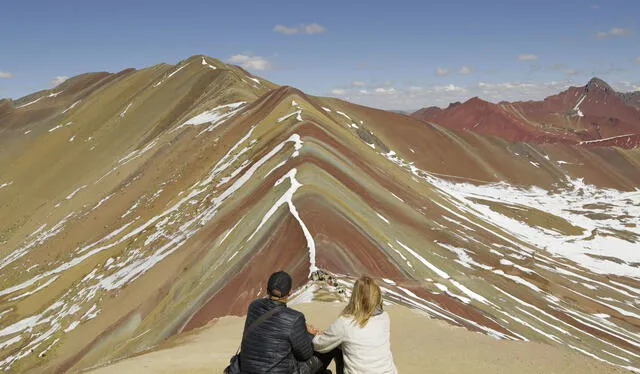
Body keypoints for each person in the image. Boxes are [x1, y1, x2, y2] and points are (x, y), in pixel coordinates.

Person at [239, 271, 325, 374]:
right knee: (331, 348)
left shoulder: (253, 306)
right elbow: (305, 355)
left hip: (247, 370)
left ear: (267, 289)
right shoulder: (295, 318)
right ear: (289, 292)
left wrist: (300, 330)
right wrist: (310, 334)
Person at [312, 276, 398, 374]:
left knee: (337, 349)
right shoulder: (384, 317)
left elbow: (319, 345)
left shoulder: (345, 322)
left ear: (355, 297)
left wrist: (315, 334)